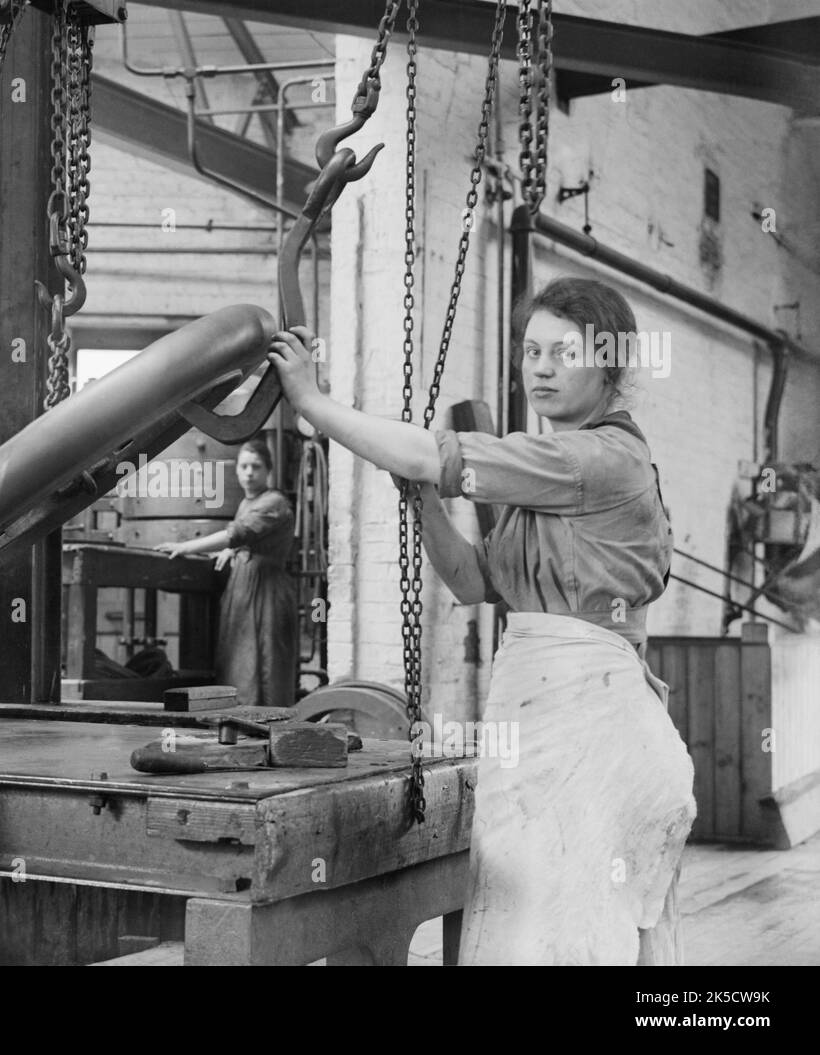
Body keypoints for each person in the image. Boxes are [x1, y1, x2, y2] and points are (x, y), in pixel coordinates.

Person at [266, 277, 696, 965]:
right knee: (536, 929)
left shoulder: (600, 458)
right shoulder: (548, 475)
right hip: (544, 722)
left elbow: (434, 456)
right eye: (531, 352)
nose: (542, 368)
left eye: (564, 352)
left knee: (564, 935)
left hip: (590, 729)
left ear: (610, 365)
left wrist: (313, 401)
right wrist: (423, 500)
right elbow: (471, 581)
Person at [156, 439, 298, 708]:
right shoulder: (248, 502)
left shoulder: (274, 502)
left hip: (267, 591)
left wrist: (185, 546)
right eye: (243, 466)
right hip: (243, 590)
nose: (248, 472)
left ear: (268, 470)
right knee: (240, 663)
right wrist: (232, 552)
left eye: (256, 466)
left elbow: (239, 534)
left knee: (267, 663)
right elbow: (244, 539)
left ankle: (267, 724)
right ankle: (239, 721)